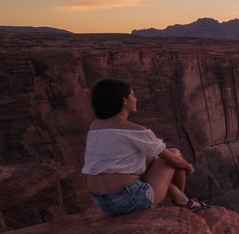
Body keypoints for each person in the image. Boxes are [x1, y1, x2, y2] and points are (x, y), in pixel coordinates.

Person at [82, 78, 207, 215]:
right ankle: (182, 203)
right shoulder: (135, 130)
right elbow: (174, 160)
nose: (135, 99)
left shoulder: (95, 127)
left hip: (102, 203)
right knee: (174, 153)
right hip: (131, 200)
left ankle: (180, 198)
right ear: (124, 101)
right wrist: (188, 167)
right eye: (132, 95)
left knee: (149, 158)